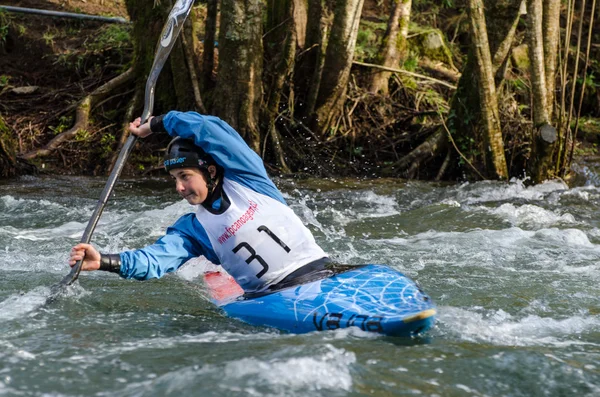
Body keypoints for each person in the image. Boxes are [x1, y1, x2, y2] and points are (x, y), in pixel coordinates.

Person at [68, 111, 330, 294]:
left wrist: (156, 124)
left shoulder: (249, 179)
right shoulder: (194, 229)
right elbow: (154, 260)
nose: (179, 188)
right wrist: (104, 261)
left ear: (211, 172)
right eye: (174, 178)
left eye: (185, 176)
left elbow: (209, 129)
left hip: (325, 273)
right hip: (273, 296)